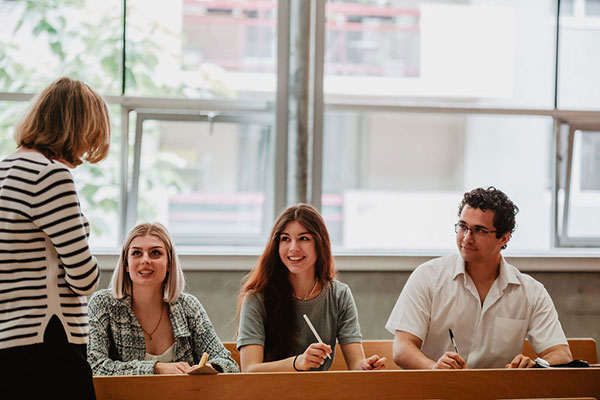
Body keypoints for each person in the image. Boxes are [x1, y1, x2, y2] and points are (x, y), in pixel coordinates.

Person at [0, 77, 110, 398]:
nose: (88, 146)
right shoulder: (50, 175)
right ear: (76, 127)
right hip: (49, 342)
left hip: (8, 342)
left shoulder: (6, 171)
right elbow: (84, 279)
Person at [386, 186, 572, 369]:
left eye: (480, 230)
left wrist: (535, 366)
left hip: (497, 394)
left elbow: (561, 354)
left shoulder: (531, 292)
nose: (467, 238)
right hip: (437, 393)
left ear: (504, 238)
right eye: (463, 227)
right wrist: (434, 368)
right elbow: (402, 349)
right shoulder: (428, 277)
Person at [237, 203, 386, 372]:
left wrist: (365, 367)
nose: (293, 248)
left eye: (304, 238)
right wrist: (297, 363)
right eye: (285, 239)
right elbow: (250, 369)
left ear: (320, 244)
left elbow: (355, 363)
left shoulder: (339, 295)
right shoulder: (257, 297)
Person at [87, 222, 239, 375]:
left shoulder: (188, 306)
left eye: (155, 253)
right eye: (136, 253)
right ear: (126, 263)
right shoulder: (102, 304)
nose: (145, 260)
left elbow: (228, 364)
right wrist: (156, 368)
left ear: (169, 263)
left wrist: (212, 369)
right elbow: (94, 367)